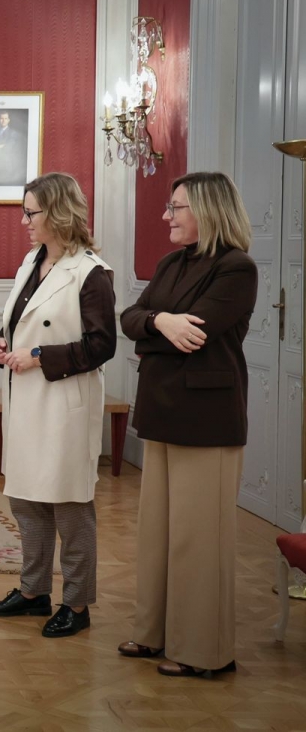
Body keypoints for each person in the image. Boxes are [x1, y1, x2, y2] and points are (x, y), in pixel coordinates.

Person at [118, 171, 256, 678]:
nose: (167, 216)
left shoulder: (236, 268)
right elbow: (130, 318)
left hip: (207, 418)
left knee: (199, 539)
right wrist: (160, 323)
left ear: (206, 209)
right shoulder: (170, 262)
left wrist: (165, 324)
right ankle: (153, 633)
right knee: (158, 533)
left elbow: (199, 332)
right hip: (160, 407)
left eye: (176, 208)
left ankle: (203, 651)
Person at [0, 173, 116, 638]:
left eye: (31, 212)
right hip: (26, 402)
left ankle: (77, 604)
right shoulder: (29, 262)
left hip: (64, 406)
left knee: (70, 505)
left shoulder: (91, 272)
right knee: (26, 500)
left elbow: (102, 346)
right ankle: (34, 591)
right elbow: (22, 324)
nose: (24, 220)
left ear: (58, 212)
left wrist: (38, 357)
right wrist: (5, 343)